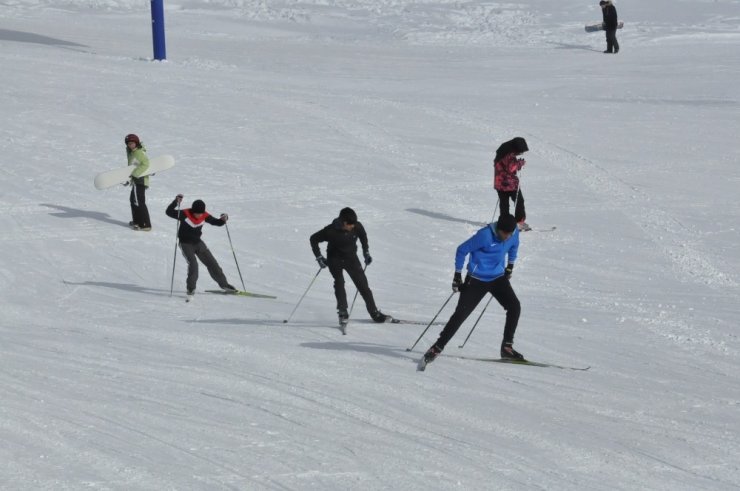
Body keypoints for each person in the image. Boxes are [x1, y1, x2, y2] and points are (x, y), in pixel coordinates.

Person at [421, 214, 522, 367]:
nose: (507, 237)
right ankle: (437, 347)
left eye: (510, 234)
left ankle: (507, 347)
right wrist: (457, 274)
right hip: (476, 279)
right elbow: (462, 250)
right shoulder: (485, 236)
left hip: (497, 277)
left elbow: (514, 247)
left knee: (514, 307)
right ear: (498, 229)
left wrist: (510, 266)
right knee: (460, 315)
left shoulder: (513, 234)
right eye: (504, 234)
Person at [310, 207, 390, 324]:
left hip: (351, 258)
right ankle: (342, 312)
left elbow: (363, 237)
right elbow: (313, 239)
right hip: (334, 258)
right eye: (350, 224)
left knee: (363, 286)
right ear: (344, 223)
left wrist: (366, 252)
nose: (353, 226)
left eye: (354, 224)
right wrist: (319, 257)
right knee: (339, 282)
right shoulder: (330, 231)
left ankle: (374, 313)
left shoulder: (357, 226)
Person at [166, 195, 236, 298]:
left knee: (212, 263)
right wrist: (175, 202)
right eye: (197, 213)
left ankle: (225, 285)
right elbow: (168, 212)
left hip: (198, 243)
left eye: (201, 213)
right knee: (193, 264)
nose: (199, 216)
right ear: (193, 210)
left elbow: (216, 222)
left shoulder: (204, 215)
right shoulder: (184, 214)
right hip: (185, 244)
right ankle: (191, 288)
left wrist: (223, 219)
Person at [494, 136, 530, 231]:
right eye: (520, 151)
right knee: (519, 201)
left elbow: (506, 166)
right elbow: (511, 168)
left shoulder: (502, 152)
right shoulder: (509, 154)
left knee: (504, 204)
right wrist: (520, 164)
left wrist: (516, 162)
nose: (520, 153)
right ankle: (519, 223)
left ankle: (504, 224)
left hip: (500, 183)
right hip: (509, 184)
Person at [124, 134, 153, 231]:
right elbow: (132, 167)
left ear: (136, 143)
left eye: (132, 143)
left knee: (138, 201)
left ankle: (145, 223)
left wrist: (135, 174)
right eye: (128, 144)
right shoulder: (132, 153)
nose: (130, 145)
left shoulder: (139, 153)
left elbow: (146, 164)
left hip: (140, 180)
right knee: (133, 200)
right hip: (136, 180)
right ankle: (137, 221)